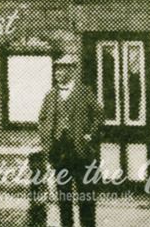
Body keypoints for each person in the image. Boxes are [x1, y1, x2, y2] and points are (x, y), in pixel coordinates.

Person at [37, 52, 102, 227]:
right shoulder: (50, 95)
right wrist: (47, 142)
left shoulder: (84, 92)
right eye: (56, 70)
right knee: (63, 196)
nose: (58, 73)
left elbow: (98, 115)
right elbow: (42, 119)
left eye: (62, 69)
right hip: (59, 152)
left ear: (72, 71)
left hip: (81, 152)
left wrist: (90, 134)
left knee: (86, 196)